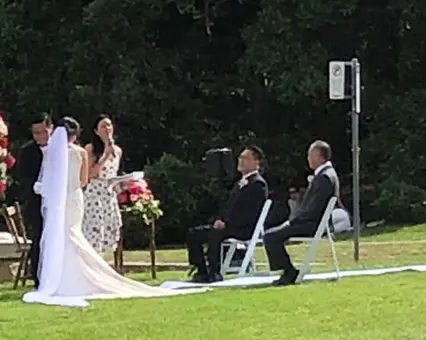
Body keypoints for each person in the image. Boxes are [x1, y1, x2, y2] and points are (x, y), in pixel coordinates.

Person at [22, 117, 207, 307]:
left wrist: (45, 189)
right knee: (73, 234)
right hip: (75, 198)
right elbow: (83, 181)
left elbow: (47, 179)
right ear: (75, 135)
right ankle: (85, 274)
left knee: (63, 236)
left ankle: (65, 277)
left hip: (58, 201)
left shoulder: (52, 153)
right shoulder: (80, 152)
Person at [186, 146, 268, 283]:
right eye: (240, 158)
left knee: (216, 233)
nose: (240, 161)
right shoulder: (240, 183)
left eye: (245, 158)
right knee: (194, 233)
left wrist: (227, 223)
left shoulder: (257, 184)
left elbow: (249, 213)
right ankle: (201, 270)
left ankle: (214, 271)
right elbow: (228, 208)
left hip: (244, 228)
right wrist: (220, 219)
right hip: (231, 226)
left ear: (256, 162)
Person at [263, 140, 339, 286]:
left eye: (311, 155)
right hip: (313, 222)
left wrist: (292, 221)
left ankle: (288, 272)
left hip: (313, 225)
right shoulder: (327, 174)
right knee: (272, 234)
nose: (308, 159)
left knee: (270, 236)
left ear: (320, 157)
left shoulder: (324, 177)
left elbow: (314, 209)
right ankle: (288, 270)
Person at [15, 113, 53, 288]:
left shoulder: (61, 149)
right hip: (35, 203)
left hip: (57, 202)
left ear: (50, 129)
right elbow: (22, 178)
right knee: (38, 239)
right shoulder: (27, 151)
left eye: (42, 132)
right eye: (35, 133)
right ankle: (38, 278)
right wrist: (36, 186)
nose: (39, 136)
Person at [82, 114, 123, 253]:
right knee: (95, 230)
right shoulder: (90, 149)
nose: (107, 128)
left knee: (109, 229)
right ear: (96, 131)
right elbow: (89, 175)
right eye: (103, 126)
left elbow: (113, 174)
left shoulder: (117, 151)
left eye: (109, 125)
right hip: (95, 195)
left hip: (109, 194)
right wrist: (105, 156)